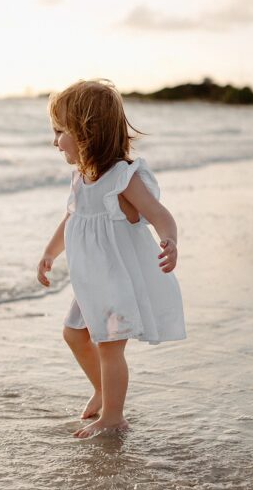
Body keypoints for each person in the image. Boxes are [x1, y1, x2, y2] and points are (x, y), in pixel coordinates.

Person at [36, 79, 185, 438]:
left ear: (88, 131)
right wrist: (49, 252)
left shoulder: (123, 178)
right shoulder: (80, 179)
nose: (55, 142)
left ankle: (114, 417)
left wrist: (170, 240)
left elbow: (160, 214)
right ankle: (103, 391)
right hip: (91, 282)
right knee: (74, 335)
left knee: (109, 347)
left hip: (117, 281)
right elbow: (72, 219)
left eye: (61, 132)